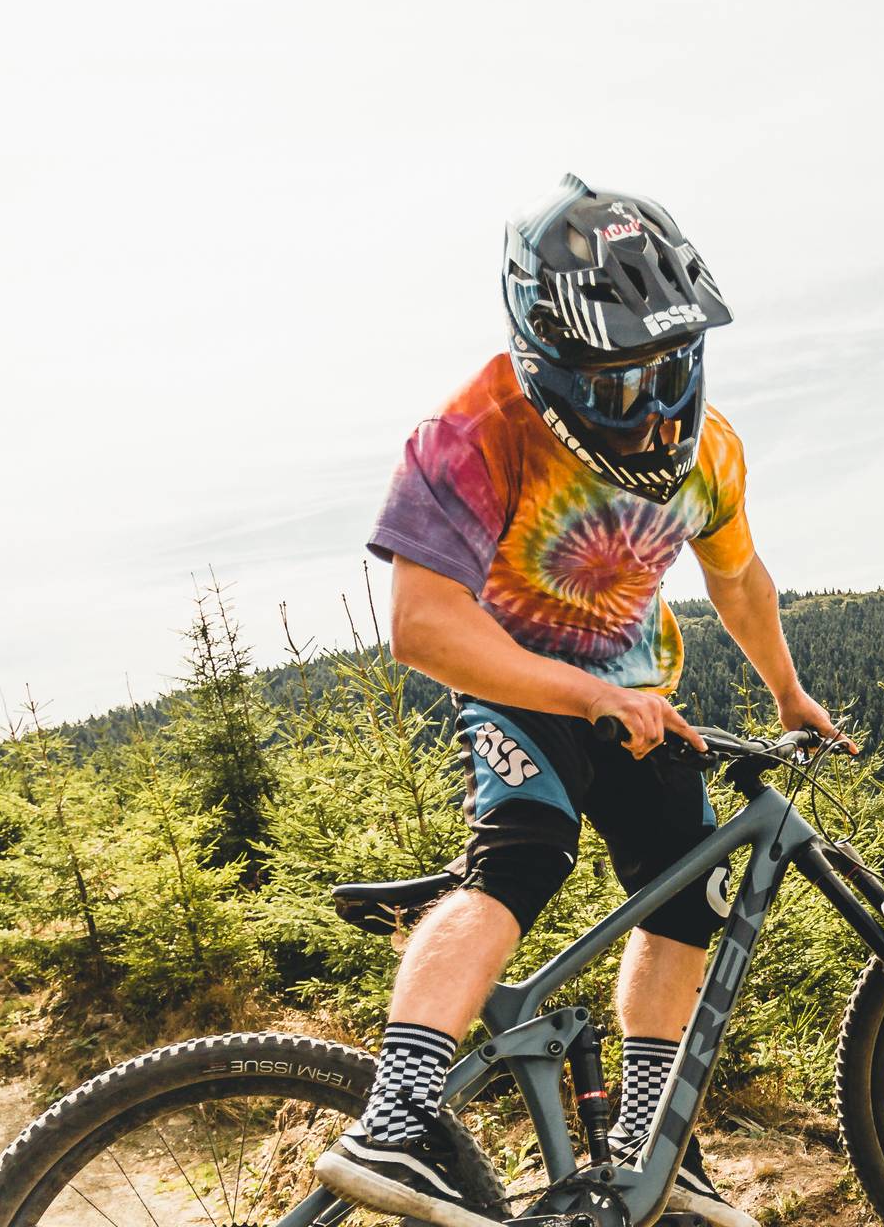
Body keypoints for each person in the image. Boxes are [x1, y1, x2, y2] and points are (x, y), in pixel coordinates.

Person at [315, 175, 849, 1227]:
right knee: (520, 865)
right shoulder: (474, 431)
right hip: (519, 695)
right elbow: (423, 626)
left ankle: (656, 1148)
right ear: (550, 362)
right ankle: (398, 1117)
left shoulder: (713, 452)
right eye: (615, 384)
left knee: (684, 902)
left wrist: (788, 691)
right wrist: (577, 691)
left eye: (670, 369)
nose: (652, 408)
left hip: (639, 702)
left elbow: (738, 581)